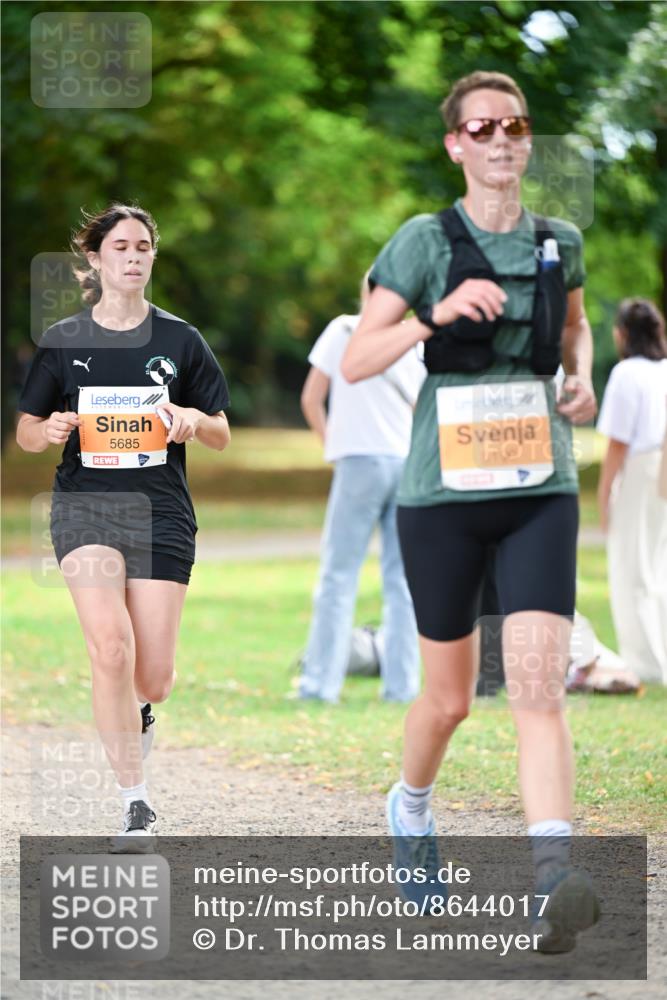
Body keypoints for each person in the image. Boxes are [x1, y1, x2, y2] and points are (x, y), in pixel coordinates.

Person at [342, 71, 600, 952]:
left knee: (536, 690)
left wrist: (582, 380)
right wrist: (432, 317)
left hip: (539, 490)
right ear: (455, 144)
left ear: (527, 141)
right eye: (481, 127)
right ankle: (409, 808)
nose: (500, 140)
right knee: (448, 702)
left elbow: (573, 329)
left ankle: (552, 881)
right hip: (441, 497)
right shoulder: (423, 240)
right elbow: (357, 359)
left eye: (515, 126)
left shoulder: (558, 241)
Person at [16, 203, 230, 843]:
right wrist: (48, 428)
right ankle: (136, 803)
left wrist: (192, 420)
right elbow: (26, 431)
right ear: (96, 258)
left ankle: (137, 712)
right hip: (85, 505)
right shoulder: (63, 341)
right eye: (121, 247)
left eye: (143, 247)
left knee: (152, 679)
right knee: (110, 646)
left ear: (151, 258)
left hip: (161, 510)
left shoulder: (180, 340)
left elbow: (220, 432)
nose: (133, 257)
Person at [299, 276, 425, 703]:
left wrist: (332, 445)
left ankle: (320, 686)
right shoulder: (414, 340)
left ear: (366, 291)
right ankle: (402, 687)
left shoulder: (344, 329)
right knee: (404, 582)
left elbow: (311, 398)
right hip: (407, 463)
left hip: (359, 460)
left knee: (338, 576)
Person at [596, 298, 667, 684]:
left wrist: (605, 495)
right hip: (664, 467)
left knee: (631, 569)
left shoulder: (627, 374)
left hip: (640, 470)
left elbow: (617, 443)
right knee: (657, 566)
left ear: (623, 334)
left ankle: (646, 664)